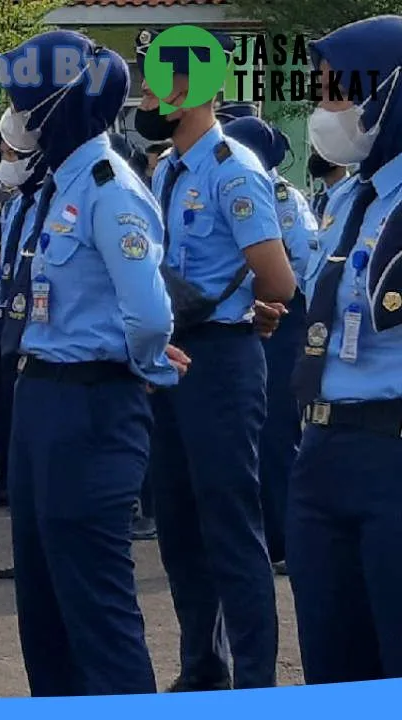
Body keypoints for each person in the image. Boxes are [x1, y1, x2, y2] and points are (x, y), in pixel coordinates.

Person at [0, 32, 183, 695]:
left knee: (95, 608)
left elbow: (151, 315)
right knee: (43, 602)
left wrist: (143, 365)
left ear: (57, 106)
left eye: (21, 101)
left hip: (92, 405)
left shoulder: (110, 189)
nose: (12, 115)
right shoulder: (58, 185)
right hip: (43, 400)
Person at [136, 27, 296, 691]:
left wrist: (243, 309)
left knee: (230, 525)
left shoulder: (233, 168)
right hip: (173, 361)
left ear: (184, 89)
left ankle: (256, 680)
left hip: (222, 362)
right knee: (178, 523)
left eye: (151, 80)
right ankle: (202, 666)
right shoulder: (166, 167)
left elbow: (278, 279)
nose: (142, 94)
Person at [287, 16, 402, 685]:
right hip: (321, 453)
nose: (324, 112)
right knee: (331, 663)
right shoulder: (344, 202)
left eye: (337, 95)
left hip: (390, 455)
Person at [223, 116, 319, 575]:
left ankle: (283, 539)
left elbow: (299, 260)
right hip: (251, 315)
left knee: (278, 431)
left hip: (281, 314)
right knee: (252, 432)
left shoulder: (280, 195)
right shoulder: (241, 189)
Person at [0, 136, 49, 581]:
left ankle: (41, 555)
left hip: (37, 334)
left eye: (12, 156)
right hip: (4, 320)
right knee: (7, 426)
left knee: (40, 453)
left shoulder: (52, 201)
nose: (6, 163)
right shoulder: (16, 205)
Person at [307, 149, 350, 223]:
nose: (316, 154)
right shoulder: (316, 201)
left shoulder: (355, 195)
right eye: (315, 150)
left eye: (321, 150)